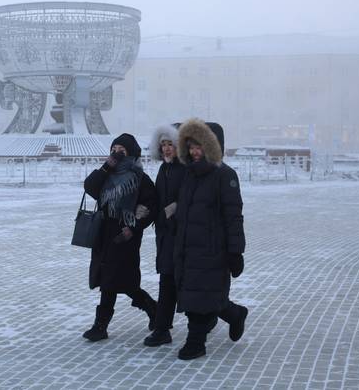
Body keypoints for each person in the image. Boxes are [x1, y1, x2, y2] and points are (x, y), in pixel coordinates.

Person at [174, 119, 249, 360]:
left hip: (212, 249)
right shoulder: (189, 175)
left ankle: (195, 343)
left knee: (201, 297)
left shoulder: (225, 176)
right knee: (198, 294)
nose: (195, 152)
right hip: (188, 248)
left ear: (213, 147)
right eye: (191, 147)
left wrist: (235, 252)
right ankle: (235, 314)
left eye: (200, 147)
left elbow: (233, 216)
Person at [82, 133, 158, 342]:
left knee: (120, 282)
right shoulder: (107, 174)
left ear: (131, 153)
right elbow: (90, 187)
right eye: (114, 149)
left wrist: (133, 226)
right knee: (112, 280)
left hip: (125, 236)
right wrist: (107, 166)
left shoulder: (140, 178)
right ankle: (152, 310)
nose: (117, 153)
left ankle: (102, 326)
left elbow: (151, 205)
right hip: (104, 233)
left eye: (121, 150)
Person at [143, 124, 185, 347]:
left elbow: (193, 198)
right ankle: (162, 329)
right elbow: (158, 198)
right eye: (164, 145)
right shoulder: (164, 169)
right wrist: (147, 211)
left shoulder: (185, 169)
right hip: (166, 237)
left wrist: (175, 208)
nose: (167, 149)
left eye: (171, 144)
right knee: (167, 281)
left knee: (189, 283)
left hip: (184, 237)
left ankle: (230, 313)